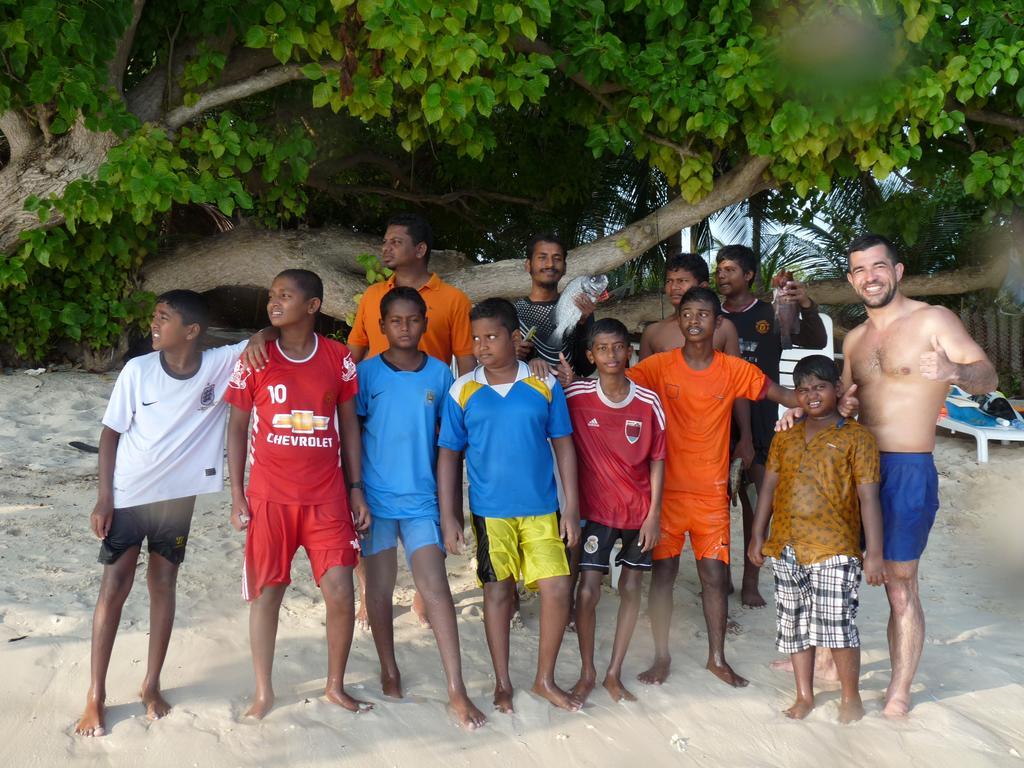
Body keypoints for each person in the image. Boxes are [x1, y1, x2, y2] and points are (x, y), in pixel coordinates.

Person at [777, 234, 996, 717]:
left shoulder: (933, 321)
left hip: (905, 467)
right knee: (834, 570)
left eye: (878, 267)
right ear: (852, 280)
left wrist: (952, 372)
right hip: (849, 466)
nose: (868, 276)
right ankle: (832, 666)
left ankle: (898, 691)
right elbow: (838, 401)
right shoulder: (854, 340)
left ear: (897, 272)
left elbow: (988, 375)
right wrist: (801, 414)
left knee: (900, 583)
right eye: (858, 270)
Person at [626, 287, 845, 688]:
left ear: (718, 322)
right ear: (678, 320)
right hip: (666, 494)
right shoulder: (657, 367)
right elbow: (618, 387)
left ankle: (716, 658)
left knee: (713, 576)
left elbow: (780, 394)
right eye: (687, 314)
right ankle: (661, 656)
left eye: (703, 314)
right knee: (663, 575)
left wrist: (811, 403)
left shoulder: (732, 369)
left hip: (710, 493)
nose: (694, 321)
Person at [74, 291, 270, 737]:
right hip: (129, 497)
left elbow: (269, 330)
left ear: (192, 331)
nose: (154, 324)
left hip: (178, 501)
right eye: (155, 316)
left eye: (164, 318)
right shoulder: (137, 371)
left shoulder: (220, 364)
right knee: (114, 588)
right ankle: (96, 695)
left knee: (163, 585)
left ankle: (151, 684)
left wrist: (266, 332)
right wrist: (104, 498)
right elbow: (109, 437)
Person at [225, 269, 371, 720]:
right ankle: (264, 691)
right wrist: (237, 494)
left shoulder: (338, 358)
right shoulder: (255, 359)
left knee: (341, 593)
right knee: (268, 593)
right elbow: (236, 426)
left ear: (312, 306)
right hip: (269, 498)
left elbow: (349, 425)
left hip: (327, 499)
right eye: (271, 295)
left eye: (285, 296)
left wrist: (355, 489)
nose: (274, 302)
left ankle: (335, 686)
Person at [437, 298, 582, 713]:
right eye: (476, 338)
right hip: (489, 512)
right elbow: (449, 454)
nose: (482, 345)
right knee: (498, 592)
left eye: (492, 337)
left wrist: (570, 507)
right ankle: (503, 682)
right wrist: (449, 515)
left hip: (542, 507)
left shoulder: (543, 383)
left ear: (514, 338)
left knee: (556, 588)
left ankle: (544, 679)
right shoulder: (462, 388)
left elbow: (564, 445)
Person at [355, 286, 486, 729]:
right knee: (378, 589)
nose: (405, 328)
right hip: (374, 500)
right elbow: (350, 439)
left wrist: (451, 512)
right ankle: (388, 667)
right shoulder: (366, 375)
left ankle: (457, 689)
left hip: (421, 501)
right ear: (382, 326)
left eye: (413, 320)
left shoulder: (441, 377)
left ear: (426, 324)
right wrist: (353, 493)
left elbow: (450, 448)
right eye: (396, 321)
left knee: (435, 589)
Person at [347, 213, 475, 627]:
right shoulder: (370, 297)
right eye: (384, 241)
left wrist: (462, 418)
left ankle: (424, 592)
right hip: (375, 418)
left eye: (395, 242)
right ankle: (370, 596)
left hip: (430, 415)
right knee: (368, 519)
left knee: (430, 514)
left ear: (419, 250)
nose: (385, 248)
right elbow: (352, 355)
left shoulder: (453, 300)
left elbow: (467, 367)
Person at [747, 355, 886, 723]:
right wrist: (757, 534)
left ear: (836, 389)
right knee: (793, 626)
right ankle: (804, 695)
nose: (811, 395)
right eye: (803, 389)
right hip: (786, 544)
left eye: (819, 387)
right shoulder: (785, 439)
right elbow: (769, 491)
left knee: (836, 625)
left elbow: (869, 497)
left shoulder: (857, 438)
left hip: (834, 548)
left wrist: (874, 553)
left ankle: (850, 696)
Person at [715, 244, 828, 608]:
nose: (722, 275)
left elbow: (815, 340)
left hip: (763, 416)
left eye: (730, 269)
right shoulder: (707, 315)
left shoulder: (771, 312)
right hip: (716, 418)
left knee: (759, 501)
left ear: (749, 275)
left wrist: (805, 304)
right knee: (713, 506)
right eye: (719, 268)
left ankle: (751, 580)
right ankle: (718, 579)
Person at [565, 318, 665, 703]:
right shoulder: (576, 395)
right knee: (587, 592)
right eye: (602, 348)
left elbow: (658, 459)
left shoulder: (647, 401)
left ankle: (612, 673)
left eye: (619, 347)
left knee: (631, 588)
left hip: (638, 514)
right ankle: (588, 671)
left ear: (630, 351)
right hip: (598, 513)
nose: (611, 354)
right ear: (591, 355)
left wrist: (654, 514)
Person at [514, 233, 597, 380]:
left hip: (570, 398)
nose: (550, 264)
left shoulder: (579, 308)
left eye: (557, 258)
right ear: (528, 265)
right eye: (542, 257)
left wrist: (583, 325)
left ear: (564, 267)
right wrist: (511, 355)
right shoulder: (514, 312)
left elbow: (587, 367)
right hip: (529, 398)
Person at [639, 253, 741, 358]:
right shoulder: (652, 332)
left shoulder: (724, 327)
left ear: (703, 286)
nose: (673, 287)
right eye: (669, 281)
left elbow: (735, 372)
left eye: (682, 281)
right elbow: (641, 374)